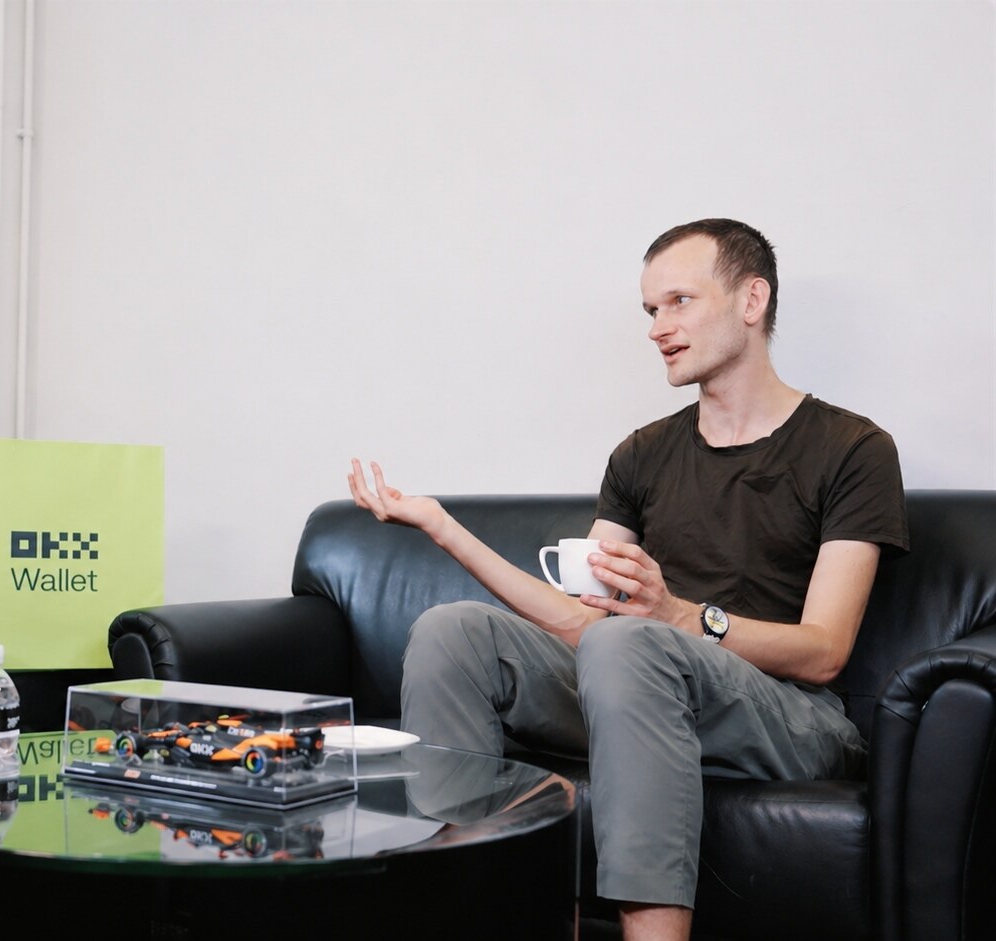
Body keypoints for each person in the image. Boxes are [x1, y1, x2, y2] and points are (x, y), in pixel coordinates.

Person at [347, 219, 907, 941]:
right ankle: (467, 912)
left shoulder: (853, 448)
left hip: (791, 716)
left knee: (629, 641)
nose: (657, 328)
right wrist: (443, 528)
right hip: (638, 686)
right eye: (650, 309)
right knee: (453, 631)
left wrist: (678, 616)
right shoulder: (641, 455)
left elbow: (825, 651)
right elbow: (581, 622)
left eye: (679, 301)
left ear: (751, 299)